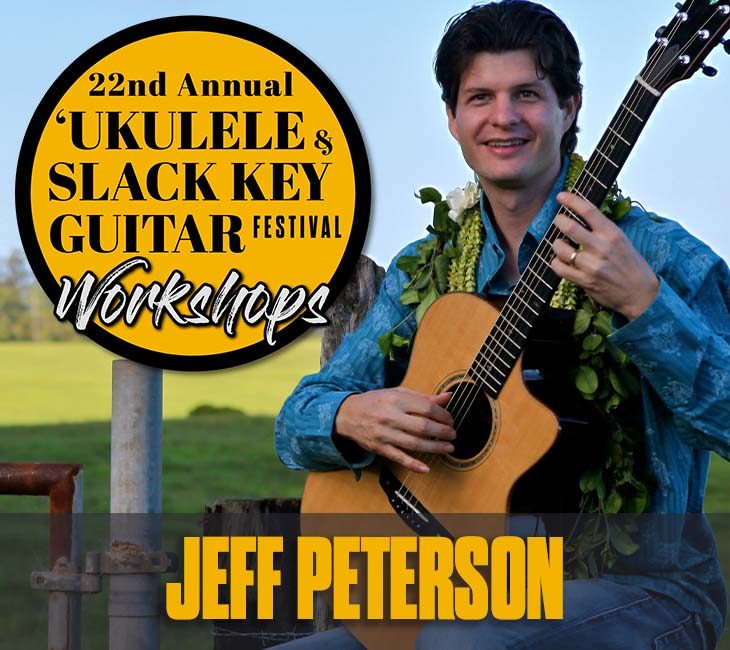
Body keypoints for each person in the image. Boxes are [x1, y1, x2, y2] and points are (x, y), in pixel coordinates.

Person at [275, 1, 729, 647]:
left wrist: (643, 303)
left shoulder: (659, 257)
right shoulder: (426, 268)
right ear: (454, 119)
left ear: (570, 107)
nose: (504, 117)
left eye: (527, 94)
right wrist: (349, 416)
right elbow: (297, 420)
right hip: (458, 583)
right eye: (480, 96)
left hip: (648, 590)